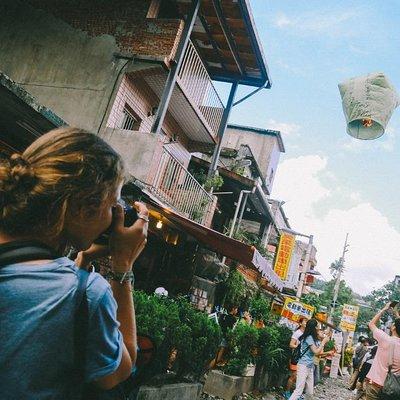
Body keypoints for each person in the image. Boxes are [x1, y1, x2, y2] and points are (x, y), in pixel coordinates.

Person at [0, 127, 148, 399]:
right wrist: (122, 265)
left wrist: (82, 262)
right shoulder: (87, 294)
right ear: (83, 209)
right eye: (112, 206)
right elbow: (120, 369)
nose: (113, 218)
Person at [365, 303, 400, 400]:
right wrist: (396, 314)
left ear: (393, 328)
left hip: (374, 383)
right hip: (393, 389)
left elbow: (371, 324)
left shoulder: (384, 338)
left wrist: (384, 309)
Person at [288, 319, 330, 400]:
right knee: (298, 391)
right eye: (317, 326)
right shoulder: (309, 337)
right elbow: (316, 352)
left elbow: (319, 350)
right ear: (314, 327)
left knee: (310, 393)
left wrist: (322, 340)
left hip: (309, 366)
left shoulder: (312, 337)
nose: (319, 328)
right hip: (303, 366)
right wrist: (323, 342)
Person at [283, 317, 308, 399]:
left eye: (307, 322)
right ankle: (287, 392)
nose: (306, 323)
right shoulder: (297, 333)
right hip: (295, 357)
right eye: (305, 321)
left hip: (302, 358)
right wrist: (298, 346)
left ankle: (296, 394)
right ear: (300, 323)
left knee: (299, 377)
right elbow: (291, 344)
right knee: (294, 376)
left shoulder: (307, 334)